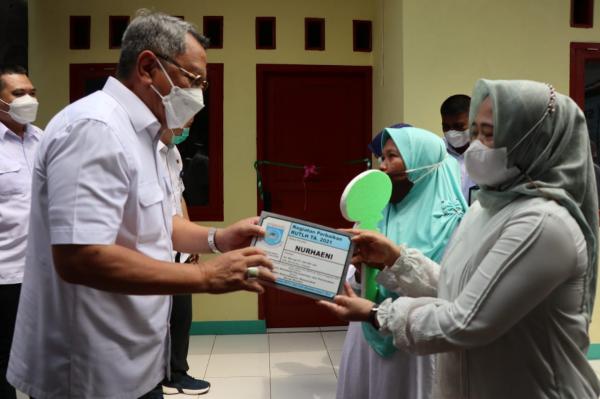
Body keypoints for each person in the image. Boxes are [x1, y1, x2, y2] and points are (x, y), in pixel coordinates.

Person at [7, 10, 274, 399]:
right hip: (88, 371)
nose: (198, 94)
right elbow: (82, 256)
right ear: (149, 66)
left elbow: (159, 223)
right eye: (193, 79)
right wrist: (207, 277)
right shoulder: (95, 128)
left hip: (136, 361)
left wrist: (219, 238)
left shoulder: (149, 138)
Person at [321, 79, 600, 398]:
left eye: (489, 133)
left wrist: (375, 313)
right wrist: (395, 259)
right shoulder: (482, 210)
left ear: (532, 140)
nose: (474, 146)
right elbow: (457, 287)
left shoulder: (543, 223)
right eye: (475, 132)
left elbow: (465, 321)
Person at [337, 125, 467, 399]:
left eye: (392, 156)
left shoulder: (455, 223)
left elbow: (452, 290)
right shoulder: (376, 211)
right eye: (381, 157)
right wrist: (360, 274)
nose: (383, 167)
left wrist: (393, 261)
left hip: (416, 343)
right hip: (365, 335)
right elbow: (353, 277)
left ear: (422, 162)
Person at [157, 124, 210, 395]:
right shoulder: (149, 151)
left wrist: (191, 238)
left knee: (182, 315)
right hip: (157, 249)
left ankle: (178, 372)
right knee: (160, 318)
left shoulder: (174, 152)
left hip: (179, 247)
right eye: (185, 121)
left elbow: (179, 197)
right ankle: (160, 375)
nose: (188, 126)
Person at [0, 65, 42, 399]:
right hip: (5, 275)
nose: (28, 99)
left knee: (44, 361)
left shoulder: (43, 140)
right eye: (18, 93)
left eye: (31, 92)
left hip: (44, 272)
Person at [441, 94, 477, 202]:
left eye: (458, 126)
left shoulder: (487, 152)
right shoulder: (437, 153)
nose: (451, 132)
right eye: (446, 127)